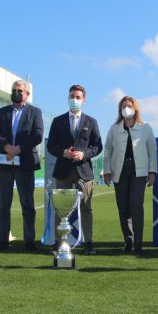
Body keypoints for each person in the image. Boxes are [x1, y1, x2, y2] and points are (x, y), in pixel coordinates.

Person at [47, 84, 103, 255]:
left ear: (84, 100)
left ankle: (89, 243)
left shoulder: (91, 122)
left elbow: (97, 146)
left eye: (78, 97)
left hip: (83, 172)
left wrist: (84, 154)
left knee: (86, 207)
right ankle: (59, 242)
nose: (74, 99)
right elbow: (50, 146)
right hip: (63, 171)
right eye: (72, 96)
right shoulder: (58, 121)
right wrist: (64, 152)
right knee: (61, 208)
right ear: (68, 98)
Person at [0, 80, 44, 251]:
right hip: (5, 163)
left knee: (27, 203)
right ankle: (3, 240)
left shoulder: (35, 112)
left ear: (27, 94)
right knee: (3, 204)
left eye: (20, 91)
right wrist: (7, 147)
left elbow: (37, 135)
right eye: (14, 90)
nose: (17, 93)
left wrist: (18, 149)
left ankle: (29, 239)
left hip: (25, 163)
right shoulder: (2, 112)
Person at [103, 96, 157, 254]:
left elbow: (152, 150)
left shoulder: (145, 127)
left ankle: (138, 243)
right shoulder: (114, 128)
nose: (127, 108)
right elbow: (108, 150)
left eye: (129, 106)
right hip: (119, 171)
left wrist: (152, 171)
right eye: (124, 106)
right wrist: (106, 171)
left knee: (136, 205)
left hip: (139, 171)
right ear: (120, 109)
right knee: (123, 207)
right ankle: (128, 240)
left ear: (135, 109)